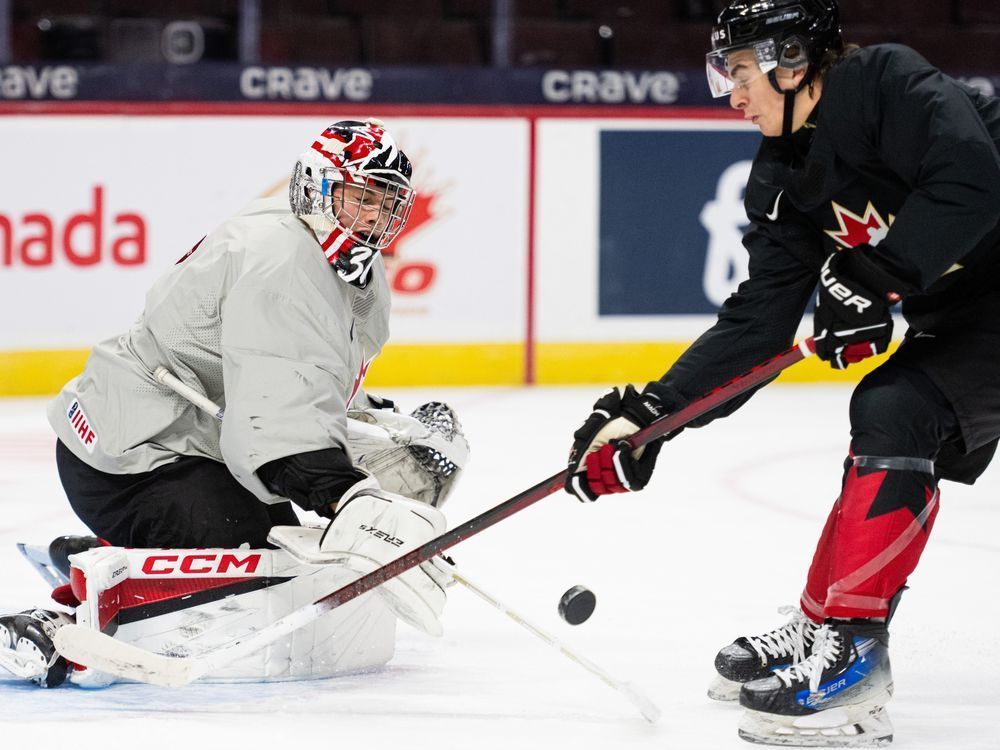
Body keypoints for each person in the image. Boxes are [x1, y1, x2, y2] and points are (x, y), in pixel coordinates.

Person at [565, 0, 1000, 745]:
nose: (729, 95)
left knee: (895, 409)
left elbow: (974, 177)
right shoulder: (783, 176)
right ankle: (831, 625)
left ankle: (853, 658)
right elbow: (755, 327)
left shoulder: (886, 85)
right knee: (895, 416)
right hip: (968, 318)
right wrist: (651, 418)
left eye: (739, 73)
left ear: (793, 63)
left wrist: (875, 275)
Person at [1, 119, 469, 688]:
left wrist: (378, 424)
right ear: (319, 186)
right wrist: (348, 494)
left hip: (186, 445)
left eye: (385, 201)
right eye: (361, 195)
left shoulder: (333, 260)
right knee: (251, 571)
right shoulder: (281, 260)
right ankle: (69, 616)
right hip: (133, 459)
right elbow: (273, 421)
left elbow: (299, 374)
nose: (373, 215)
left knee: (286, 554)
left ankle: (110, 552)